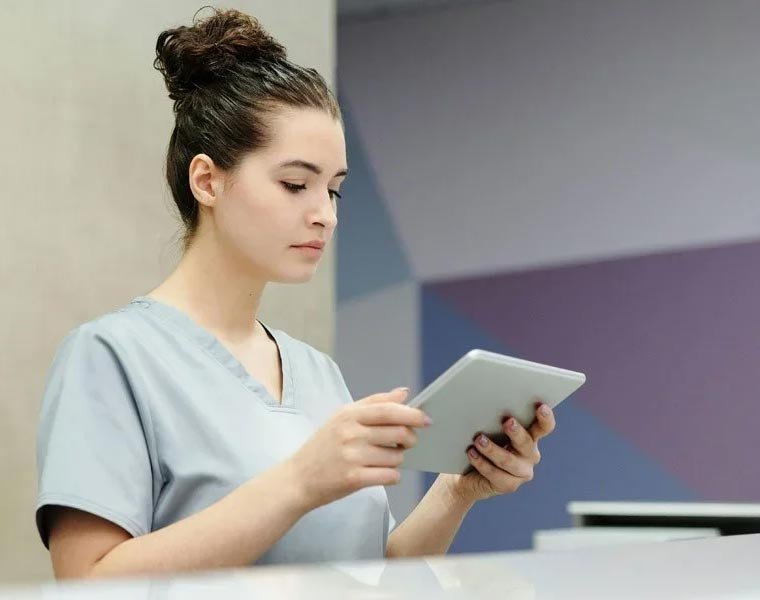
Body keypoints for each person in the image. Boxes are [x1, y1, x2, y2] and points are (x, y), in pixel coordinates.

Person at [34, 6, 557, 580]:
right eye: (294, 184)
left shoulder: (318, 374)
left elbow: (373, 576)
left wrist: (457, 490)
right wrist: (300, 480)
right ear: (207, 180)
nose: (325, 216)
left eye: (333, 191)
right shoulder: (112, 357)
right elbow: (87, 581)